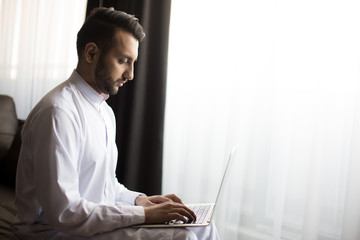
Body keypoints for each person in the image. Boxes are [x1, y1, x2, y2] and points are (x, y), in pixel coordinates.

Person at [13, 7, 219, 240]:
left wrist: (140, 201)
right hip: (53, 233)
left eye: (133, 63)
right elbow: (65, 212)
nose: (130, 74)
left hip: (90, 224)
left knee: (203, 226)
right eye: (123, 61)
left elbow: (103, 185)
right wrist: (144, 214)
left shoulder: (104, 111)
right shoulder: (58, 112)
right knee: (184, 237)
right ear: (91, 53)